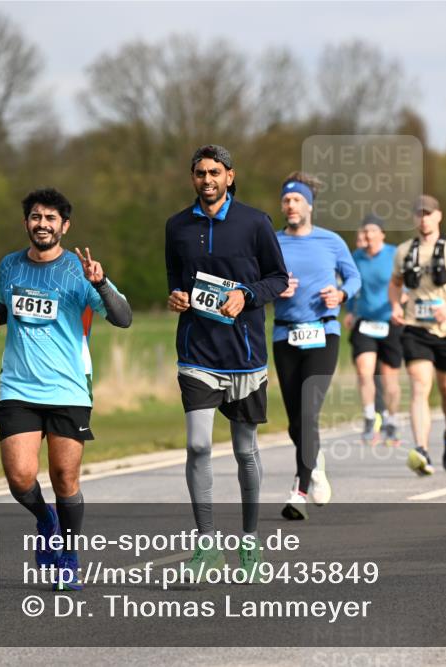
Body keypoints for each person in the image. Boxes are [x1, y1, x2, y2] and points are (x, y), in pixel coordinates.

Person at [0, 188, 133, 591]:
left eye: (50, 218)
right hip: (18, 386)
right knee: (19, 476)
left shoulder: (79, 271)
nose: (42, 224)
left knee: (65, 477)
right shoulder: (9, 265)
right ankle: (45, 520)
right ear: (26, 222)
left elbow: (123, 318)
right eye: (35, 216)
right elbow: (4, 304)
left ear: (65, 226)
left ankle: (68, 556)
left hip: (67, 389)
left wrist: (99, 284)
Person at [165, 145, 289, 575]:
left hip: (246, 355)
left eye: (215, 172)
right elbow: (176, 283)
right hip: (197, 353)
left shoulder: (255, 223)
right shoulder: (177, 226)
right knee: (198, 444)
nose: (207, 180)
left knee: (244, 451)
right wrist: (177, 298)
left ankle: (250, 542)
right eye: (199, 173)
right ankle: (206, 543)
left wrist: (245, 294)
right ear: (192, 178)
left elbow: (277, 278)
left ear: (230, 176)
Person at [273, 172, 360, 519]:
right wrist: (274, 289)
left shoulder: (331, 241)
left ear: (309, 204)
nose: (290, 205)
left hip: (324, 333)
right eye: (285, 200)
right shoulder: (273, 242)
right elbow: (256, 281)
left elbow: (354, 277)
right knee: (296, 421)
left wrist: (340, 293)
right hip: (285, 335)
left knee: (309, 411)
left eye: (296, 200)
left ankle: (299, 489)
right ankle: (316, 462)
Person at [390, 195, 446, 474]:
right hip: (416, 328)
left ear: (439, 216)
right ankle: (421, 450)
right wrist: (395, 305)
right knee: (419, 385)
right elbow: (395, 283)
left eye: (428, 213)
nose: (424, 218)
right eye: (419, 214)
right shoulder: (405, 251)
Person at [346, 215, 403, 446]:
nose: (368, 235)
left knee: (390, 378)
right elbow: (351, 284)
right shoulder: (356, 256)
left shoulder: (394, 254)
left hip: (390, 321)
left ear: (382, 234)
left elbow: (405, 284)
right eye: (365, 231)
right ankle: (370, 417)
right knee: (364, 370)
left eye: (372, 231)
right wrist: (350, 310)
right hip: (365, 322)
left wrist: (401, 303)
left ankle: (392, 420)